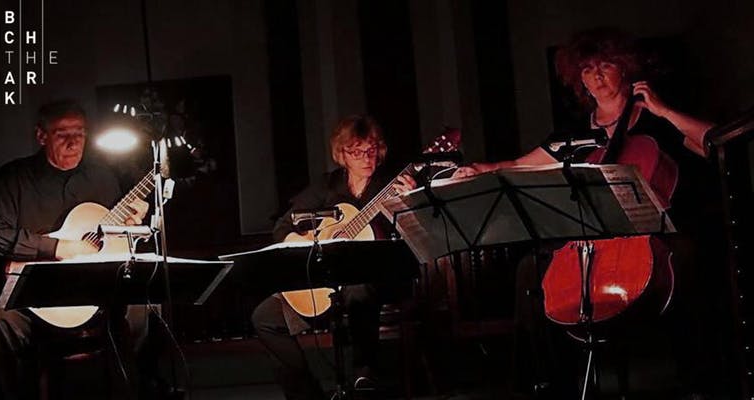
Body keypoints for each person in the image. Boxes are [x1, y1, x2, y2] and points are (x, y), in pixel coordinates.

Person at [454, 28, 717, 398]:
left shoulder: (655, 121)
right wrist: (481, 170)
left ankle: (699, 382)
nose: (597, 75)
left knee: (688, 258)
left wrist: (664, 110)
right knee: (530, 269)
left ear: (625, 68)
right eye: (587, 68)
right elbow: (518, 165)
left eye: (605, 65)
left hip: (656, 235)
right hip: (591, 240)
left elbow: (716, 144)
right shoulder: (574, 132)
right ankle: (545, 385)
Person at [0, 99, 152, 400]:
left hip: (94, 296)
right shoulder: (14, 178)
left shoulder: (102, 177)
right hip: (35, 300)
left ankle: (133, 390)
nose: (73, 142)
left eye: (79, 133)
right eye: (62, 134)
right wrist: (57, 247)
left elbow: (116, 239)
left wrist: (131, 224)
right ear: (41, 136)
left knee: (145, 309)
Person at [251, 114, 416, 400]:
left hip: (377, 280)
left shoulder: (390, 185)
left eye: (371, 150)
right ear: (342, 154)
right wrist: (298, 241)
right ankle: (306, 393)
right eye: (356, 152)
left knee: (357, 286)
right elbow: (283, 226)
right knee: (264, 318)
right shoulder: (327, 186)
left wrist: (410, 201)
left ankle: (364, 375)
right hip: (324, 283)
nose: (366, 158)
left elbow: (414, 233)